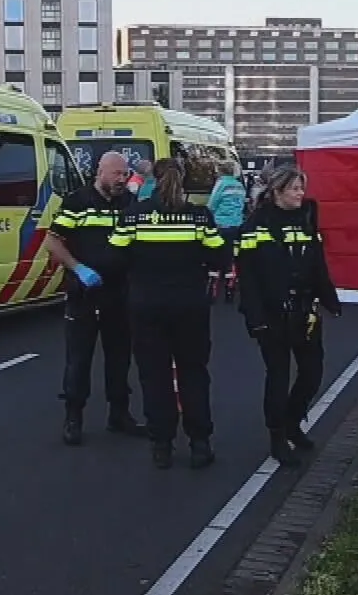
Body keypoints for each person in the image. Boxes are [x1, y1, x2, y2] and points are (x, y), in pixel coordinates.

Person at [107, 158, 230, 469]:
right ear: (183, 179)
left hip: (146, 305)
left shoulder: (135, 214)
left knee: (154, 376)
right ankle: (199, 443)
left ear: (153, 179)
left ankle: (161, 444)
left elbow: (114, 256)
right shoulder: (199, 217)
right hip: (190, 305)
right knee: (194, 373)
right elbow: (219, 257)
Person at [237, 167, 341, 468]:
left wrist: (329, 299)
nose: (300, 194)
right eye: (294, 189)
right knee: (279, 376)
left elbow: (317, 263)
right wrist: (255, 318)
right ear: (278, 192)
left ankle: (294, 420)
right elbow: (249, 278)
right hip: (272, 314)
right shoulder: (257, 225)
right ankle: (278, 436)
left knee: (312, 373)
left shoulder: (307, 220)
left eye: (301, 188)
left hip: (304, 311)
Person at [46, 150, 145, 445]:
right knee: (79, 359)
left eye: (125, 174)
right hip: (85, 294)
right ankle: (73, 417)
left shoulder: (128, 202)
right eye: (116, 174)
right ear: (100, 172)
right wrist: (78, 268)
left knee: (119, 358)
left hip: (119, 293)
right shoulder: (78, 202)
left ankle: (119, 414)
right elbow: (52, 241)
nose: (121, 179)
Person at [207, 161, 248, 302]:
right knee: (230, 256)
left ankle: (213, 288)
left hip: (221, 224)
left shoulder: (221, 184)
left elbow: (212, 203)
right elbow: (242, 204)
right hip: (237, 225)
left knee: (216, 255)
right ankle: (230, 286)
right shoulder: (239, 186)